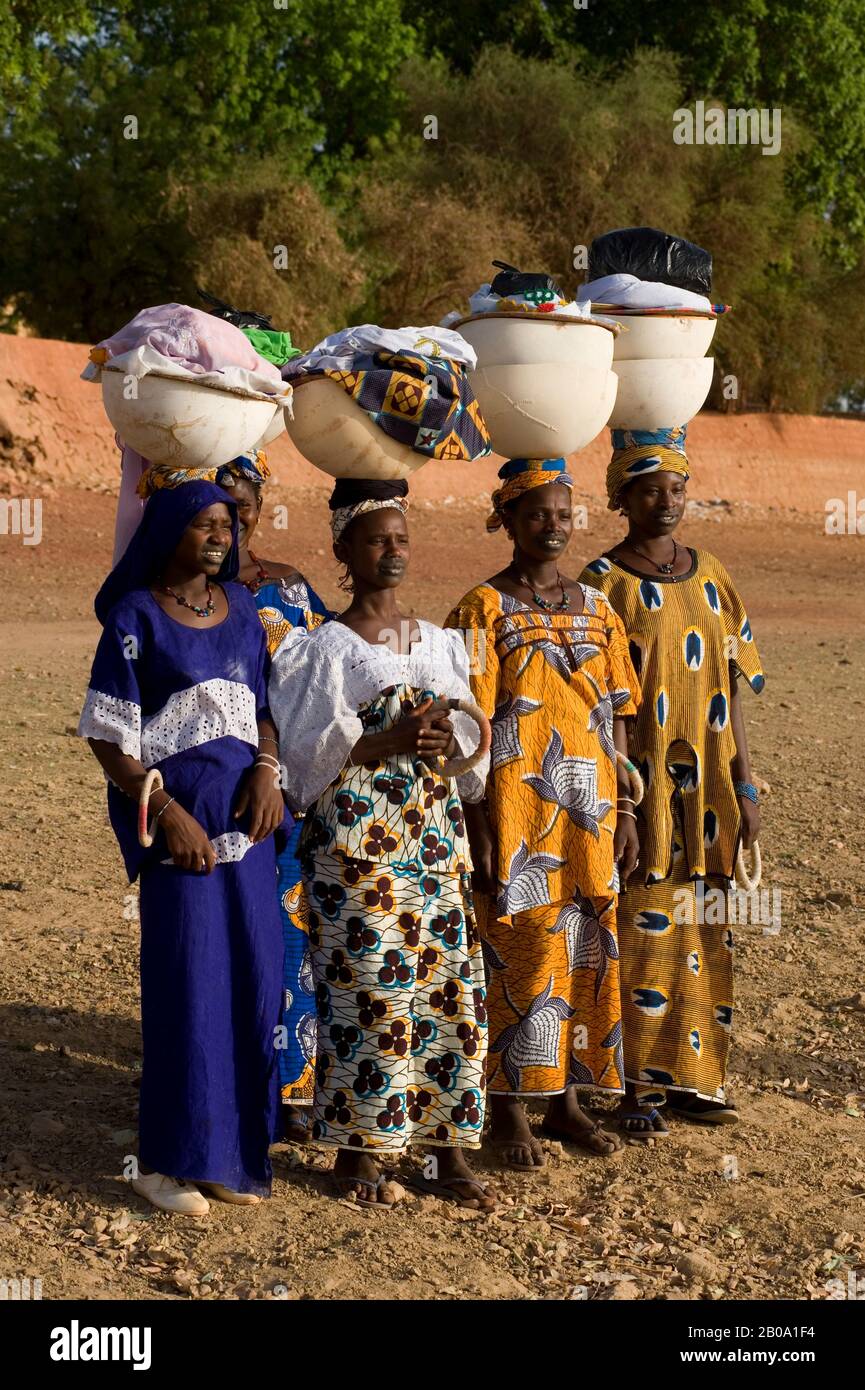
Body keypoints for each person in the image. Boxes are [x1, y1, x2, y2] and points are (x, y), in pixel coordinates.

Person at [268, 478, 496, 1210]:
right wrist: (385, 737)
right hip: (358, 844)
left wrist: (445, 735)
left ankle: (447, 1150)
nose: (391, 552)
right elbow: (304, 760)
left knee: (446, 993)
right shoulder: (323, 648)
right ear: (343, 550)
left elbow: (472, 750)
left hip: (432, 839)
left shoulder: (439, 642)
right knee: (369, 992)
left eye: (400, 539)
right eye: (375, 540)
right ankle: (360, 1154)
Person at [77, 482, 288, 1213]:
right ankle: (162, 1162)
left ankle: (224, 1158)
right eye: (202, 524)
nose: (218, 537)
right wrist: (166, 813)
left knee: (255, 989)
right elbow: (109, 737)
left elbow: (262, 711)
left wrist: (267, 773)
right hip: (182, 843)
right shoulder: (137, 619)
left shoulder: (242, 619)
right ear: (169, 531)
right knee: (188, 991)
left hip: (247, 836)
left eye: (225, 526)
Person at [445, 457, 641, 1171]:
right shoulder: (482, 608)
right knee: (518, 951)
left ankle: (566, 1104)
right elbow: (465, 725)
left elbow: (618, 714)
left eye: (562, 514)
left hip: (588, 816)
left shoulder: (598, 608)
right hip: (517, 812)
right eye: (535, 515)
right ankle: (506, 1112)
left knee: (585, 951)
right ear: (507, 521)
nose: (551, 526)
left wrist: (622, 806)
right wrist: (476, 820)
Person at [578, 427, 764, 1133]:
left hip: (710, 792)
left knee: (706, 925)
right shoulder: (602, 585)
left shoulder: (712, 574)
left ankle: (695, 1080)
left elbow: (731, 685)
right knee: (642, 925)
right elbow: (602, 704)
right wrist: (620, 798)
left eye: (676, 487)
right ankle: (634, 1088)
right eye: (648, 488)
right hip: (643, 789)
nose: (666, 500)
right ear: (621, 497)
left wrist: (744, 785)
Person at [216, 454, 330, 1143]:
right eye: (218, 501)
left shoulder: (289, 589)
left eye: (246, 499)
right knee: (227, 934)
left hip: (295, 789)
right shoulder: (183, 593)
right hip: (218, 791)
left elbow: (327, 674)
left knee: (294, 934)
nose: (234, 516)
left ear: (262, 503)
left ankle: (292, 1089)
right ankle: (231, 1084)